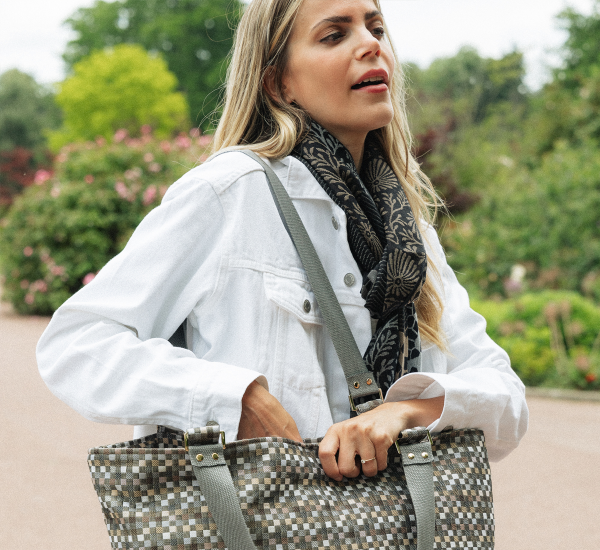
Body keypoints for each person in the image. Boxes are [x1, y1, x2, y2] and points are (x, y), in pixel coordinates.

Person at [36, 0, 528, 484]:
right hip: (253, 549)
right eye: (335, 34)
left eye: (375, 28)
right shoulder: (232, 193)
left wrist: (403, 413)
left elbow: (505, 396)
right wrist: (236, 399)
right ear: (278, 82)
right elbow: (77, 343)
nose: (371, 45)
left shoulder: (408, 235)